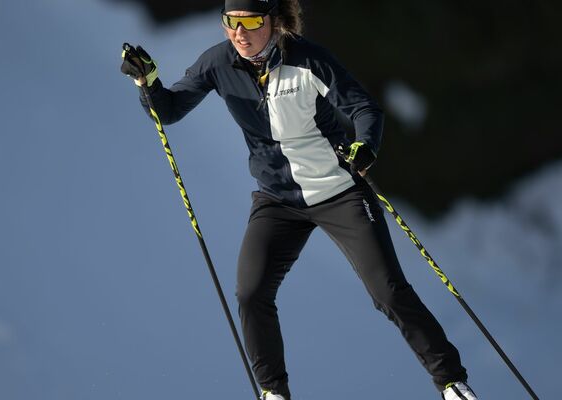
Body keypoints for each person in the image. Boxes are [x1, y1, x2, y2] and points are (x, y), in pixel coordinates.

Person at [121, 0, 477, 399]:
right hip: (277, 200)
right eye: (231, 23)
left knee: (388, 291)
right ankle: (274, 392)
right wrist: (147, 83)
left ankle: (450, 382)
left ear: (273, 21)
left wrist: (365, 146)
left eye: (252, 21)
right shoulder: (217, 62)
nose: (240, 33)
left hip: (338, 192)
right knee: (251, 294)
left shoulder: (308, 59)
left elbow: (363, 107)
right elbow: (167, 110)